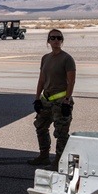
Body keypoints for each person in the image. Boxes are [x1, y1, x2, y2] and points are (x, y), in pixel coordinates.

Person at [27, 29, 76, 169]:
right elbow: (42, 79)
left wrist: (67, 100)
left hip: (60, 102)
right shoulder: (45, 58)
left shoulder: (67, 59)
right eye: (53, 38)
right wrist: (37, 98)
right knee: (40, 126)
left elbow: (71, 81)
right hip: (46, 100)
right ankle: (44, 155)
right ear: (48, 40)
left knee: (61, 133)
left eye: (59, 38)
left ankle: (59, 161)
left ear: (62, 40)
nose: (56, 40)